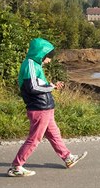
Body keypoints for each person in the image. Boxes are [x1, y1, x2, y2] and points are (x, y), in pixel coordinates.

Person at [8, 38, 87, 177]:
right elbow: (32, 87)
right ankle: (16, 166)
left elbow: (39, 85)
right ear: (41, 53)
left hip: (45, 108)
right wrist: (50, 87)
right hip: (39, 109)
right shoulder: (30, 64)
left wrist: (52, 85)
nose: (50, 59)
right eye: (49, 56)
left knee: (54, 134)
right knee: (34, 139)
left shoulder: (35, 65)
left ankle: (67, 158)